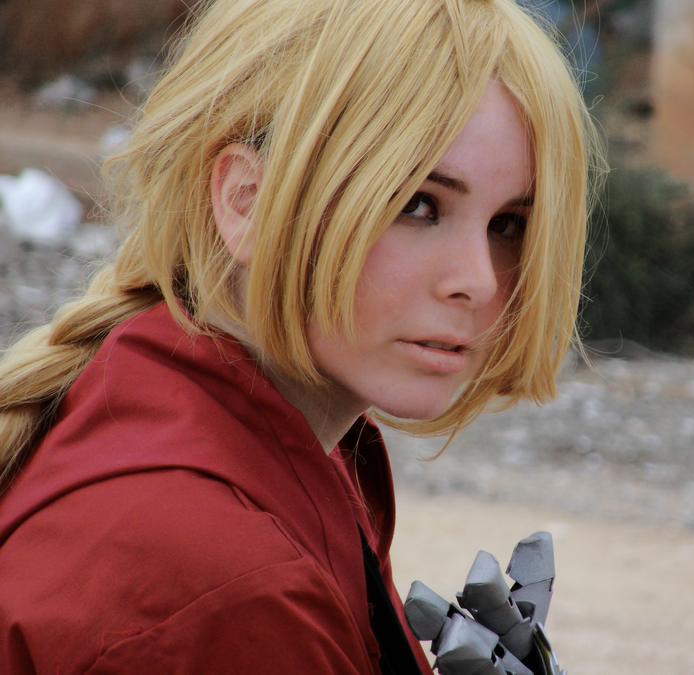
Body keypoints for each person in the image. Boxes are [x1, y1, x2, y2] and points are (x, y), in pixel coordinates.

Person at [0, 0, 600, 672]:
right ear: (246, 201)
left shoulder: (252, 448)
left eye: (509, 224)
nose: (480, 281)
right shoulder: (221, 582)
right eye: (418, 204)